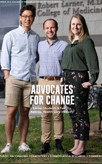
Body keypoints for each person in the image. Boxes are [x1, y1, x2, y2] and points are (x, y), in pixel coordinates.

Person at [0, 4, 40, 153]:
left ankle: (22, 143)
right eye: (24, 16)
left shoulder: (36, 37)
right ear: (20, 18)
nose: (27, 19)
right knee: (11, 111)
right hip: (14, 79)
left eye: (30, 16)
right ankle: (9, 144)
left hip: (29, 80)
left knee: (25, 112)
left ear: (33, 18)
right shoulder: (10, 35)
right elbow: (5, 57)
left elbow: (35, 57)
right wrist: (7, 76)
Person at [61, 14, 99, 156]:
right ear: (70, 26)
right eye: (73, 24)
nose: (75, 27)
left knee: (81, 113)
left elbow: (93, 61)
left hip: (78, 79)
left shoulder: (86, 41)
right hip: (67, 79)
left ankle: (82, 147)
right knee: (73, 113)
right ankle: (76, 144)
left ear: (82, 25)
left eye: (78, 24)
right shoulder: (71, 41)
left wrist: (92, 79)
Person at [38, 19, 68, 154]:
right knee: (45, 114)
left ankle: (58, 141)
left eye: (52, 27)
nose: (49, 30)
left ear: (57, 28)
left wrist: (64, 80)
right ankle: (45, 142)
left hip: (58, 82)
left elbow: (67, 66)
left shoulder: (64, 45)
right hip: (43, 81)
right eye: (47, 28)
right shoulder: (39, 45)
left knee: (57, 114)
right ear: (44, 29)